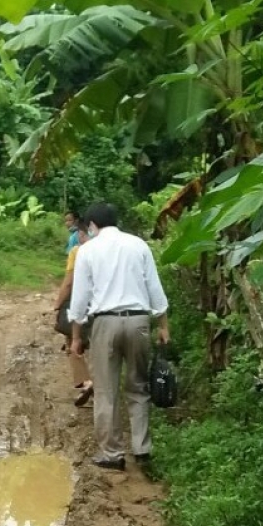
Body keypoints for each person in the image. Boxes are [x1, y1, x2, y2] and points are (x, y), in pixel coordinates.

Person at [67, 201, 170, 470]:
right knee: (138, 385)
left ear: (91, 225)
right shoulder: (139, 245)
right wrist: (163, 325)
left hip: (105, 324)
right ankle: (142, 448)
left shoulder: (87, 251)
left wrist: (76, 337)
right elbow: (154, 287)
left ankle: (112, 454)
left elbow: (79, 300)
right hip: (138, 322)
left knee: (105, 390)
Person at [52, 220, 93, 406]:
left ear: (82, 234)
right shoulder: (107, 250)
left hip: (80, 303)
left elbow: (69, 282)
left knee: (72, 340)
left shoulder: (77, 252)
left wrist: (58, 304)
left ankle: (87, 381)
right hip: (104, 306)